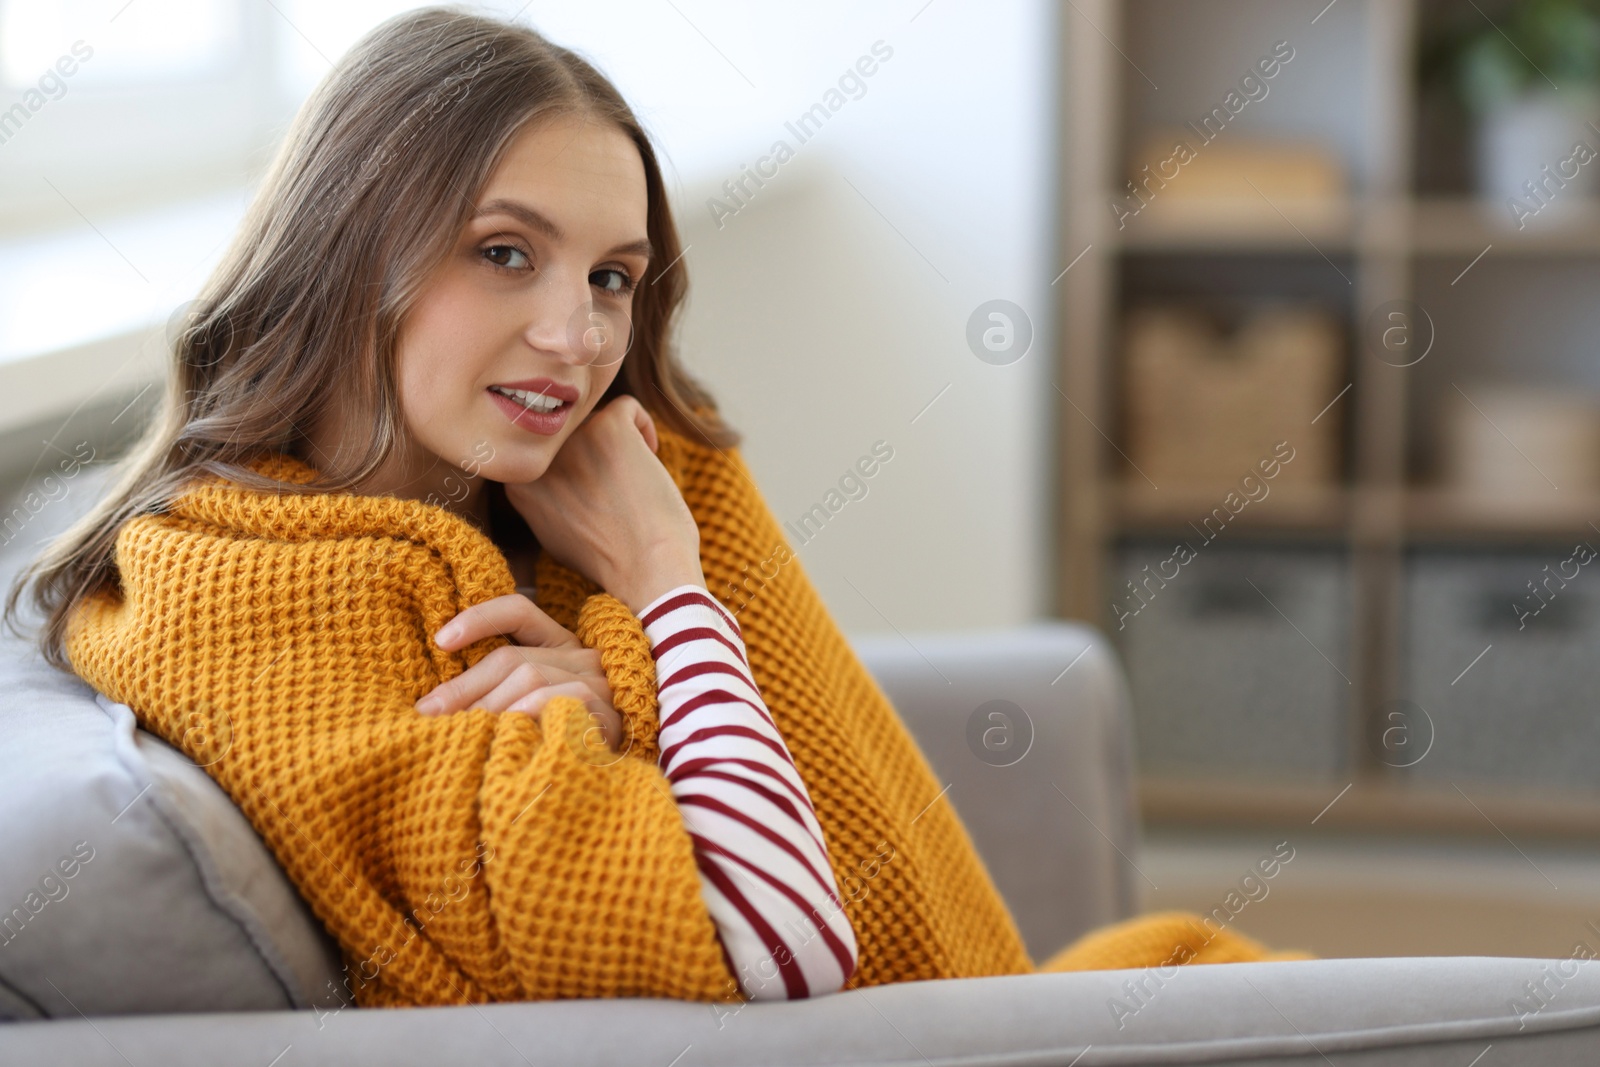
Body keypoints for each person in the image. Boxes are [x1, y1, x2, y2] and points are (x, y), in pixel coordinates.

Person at [3, 7, 1305, 1010]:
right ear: (347, 249)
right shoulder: (250, 596)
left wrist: (627, 687)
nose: (576, 336)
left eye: (614, 276)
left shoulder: (588, 479)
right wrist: (667, 597)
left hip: (960, 1010)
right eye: (504, 251)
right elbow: (778, 942)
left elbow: (853, 844)